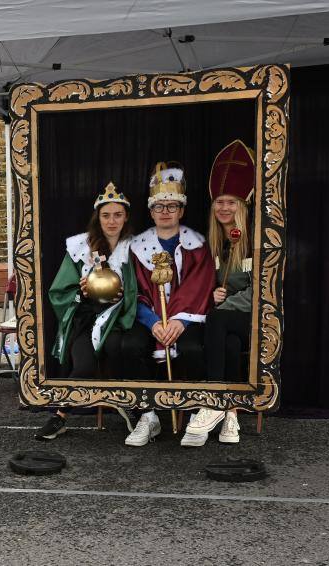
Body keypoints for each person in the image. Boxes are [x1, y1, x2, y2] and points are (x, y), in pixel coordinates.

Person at [35, 183, 137, 440]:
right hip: (85, 320)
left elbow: (143, 289)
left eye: (117, 215)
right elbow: (59, 292)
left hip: (119, 319)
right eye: (106, 215)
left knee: (118, 349)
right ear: (97, 217)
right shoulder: (81, 248)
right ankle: (60, 415)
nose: (112, 221)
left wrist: (124, 296)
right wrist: (81, 292)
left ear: (126, 217)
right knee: (84, 364)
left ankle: (128, 405)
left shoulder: (135, 249)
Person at [123, 162, 215, 447]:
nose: (165, 212)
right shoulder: (136, 247)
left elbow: (201, 287)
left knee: (193, 348)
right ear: (151, 211)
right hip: (150, 319)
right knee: (128, 346)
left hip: (186, 320)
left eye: (172, 206)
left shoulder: (198, 245)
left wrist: (179, 322)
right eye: (159, 207)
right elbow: (132, 292)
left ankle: (198, 413)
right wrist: (153, 323)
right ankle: (147, 415)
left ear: (182, 210)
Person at [181, 140, 256, 447]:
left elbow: (263, 289)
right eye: (219, 202)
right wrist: (213, 295)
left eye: (232, 202)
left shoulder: (257, 240)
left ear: (243, 206)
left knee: (220, 323)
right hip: (225, 323)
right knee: (228, 342)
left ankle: (212, 399)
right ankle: (232, 414)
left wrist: (228, 303)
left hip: (252, 318)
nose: (224, 208)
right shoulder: (211, 243)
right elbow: (203, 284)